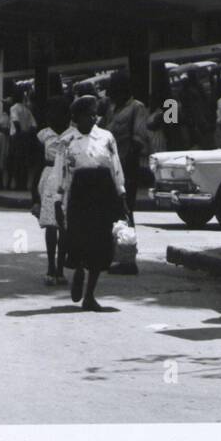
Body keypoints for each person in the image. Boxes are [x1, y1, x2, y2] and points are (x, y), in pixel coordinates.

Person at [54, 95, 129, 312]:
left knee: (100, 244)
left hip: (102, 193)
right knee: (78, 241)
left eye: (95, 113)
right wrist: (58, 201)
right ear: (76, 117)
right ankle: (78, 270)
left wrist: (121, 194)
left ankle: (90, 295)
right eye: (88, 113)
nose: (93, 117)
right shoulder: (66, 141)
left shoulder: (107, 138)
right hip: (78, 195)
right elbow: (60, 172)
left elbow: (115, 166)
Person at [34, 98, 72, 286]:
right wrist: (34, 196)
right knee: (51, 224)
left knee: (64, 225)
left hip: (67, 177)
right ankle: (50, 265)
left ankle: (60, 267)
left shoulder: (73, 134)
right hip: (48, 177)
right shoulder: (43, 135)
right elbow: (36, 163)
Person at [105, 73, 150, 215]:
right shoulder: (111, 109)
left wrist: (126, 162)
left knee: (125, 208)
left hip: (127, 166)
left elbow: (139, 139)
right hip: (110, 163)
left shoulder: (137, 107)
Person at [0, 99, 12, 189]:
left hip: (8, 140)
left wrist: (5, 131)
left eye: (6, 104)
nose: (4, 106)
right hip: (0, 139)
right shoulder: (2, 115)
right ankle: (0, 183)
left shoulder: (12, 116)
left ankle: (8, 183)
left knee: (8, 161)